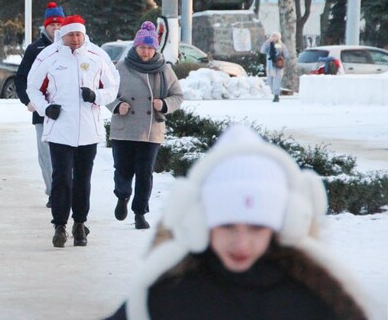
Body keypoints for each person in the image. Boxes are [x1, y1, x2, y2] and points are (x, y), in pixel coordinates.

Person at [104, 123, 378, 320]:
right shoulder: (167, 297)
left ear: (285, 223)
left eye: (257, 226)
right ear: (201, 223)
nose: (241, 242)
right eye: (227, 226)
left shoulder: (318, 297)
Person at [26, 15, 121, 248]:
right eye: (70, 34)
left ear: (84, 34)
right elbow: (32, 87)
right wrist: (46, 109)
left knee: (82, 179)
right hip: (59, 128)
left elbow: (113, 86)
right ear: (63, 35)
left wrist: (96, 96)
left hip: (88, 129)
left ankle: (80, 224)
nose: (75, 39)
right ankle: (59, 225)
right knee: (61, 178)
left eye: (79, 34)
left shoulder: (97, 55)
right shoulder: (49, 56)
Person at [106, 21, 183, 231]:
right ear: (135, 47)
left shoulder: (164, 70)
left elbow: (178, 95)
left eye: (150, 48)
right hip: (124, 129)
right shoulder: (120, 68)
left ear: (155, 48)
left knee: (144, 173)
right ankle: (122, 196)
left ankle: (140, 212)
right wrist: (117, 105)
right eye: (142, 47)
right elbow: (105, 92)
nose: (146, 52)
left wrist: (164, 104)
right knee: (122, 169)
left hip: (151, 130)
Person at [15, 2, 65, 208]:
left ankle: (65, 188)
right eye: (52, 25)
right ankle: (53, 191)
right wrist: (29, 101)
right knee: (46, 154)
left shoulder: (72, 47)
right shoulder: (35, 49)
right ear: (45, 27)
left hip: (67, 111)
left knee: (65, 154)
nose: (55, 28)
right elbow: (21, 78)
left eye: (59, 24)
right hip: (42, 112)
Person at [260, 32, 290, 102]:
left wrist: (281, 57)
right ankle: (274, 93)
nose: (274, 38)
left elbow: (286, 54)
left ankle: (276, 95)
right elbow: (262, 51)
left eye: (275, 36)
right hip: (270, 65)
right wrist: (267, 42)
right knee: (270, 81)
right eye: (273, 36)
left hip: (278, 65)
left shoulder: (281, 45)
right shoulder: (268, 44)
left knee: (277, 80)